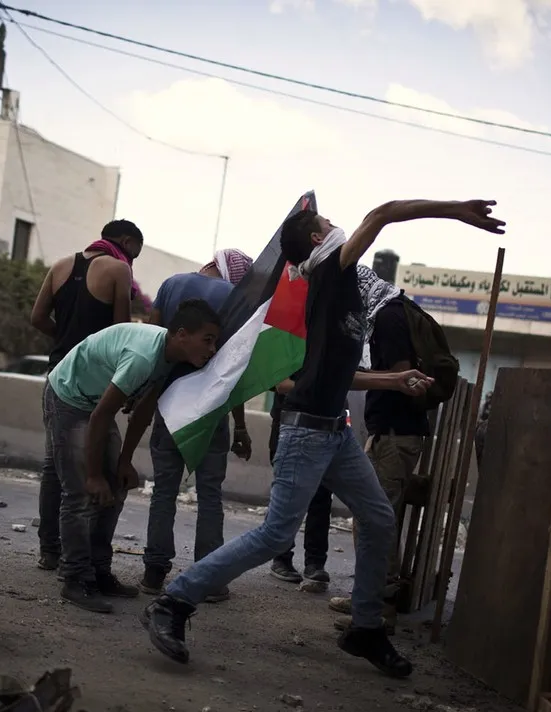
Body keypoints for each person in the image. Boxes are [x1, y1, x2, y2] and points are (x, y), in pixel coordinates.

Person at [142, 197, 505, 678]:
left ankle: (366, 628)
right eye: (328, 223)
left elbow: (337, 373)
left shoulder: (341, 292)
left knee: (378, 519)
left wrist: (392, 381)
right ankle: (175, 602)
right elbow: (383, 212)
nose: (337, 224)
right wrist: (455, 209)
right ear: (319, 239)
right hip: (306, 431)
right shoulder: (332, 269)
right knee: (276, 534)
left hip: (334, 431)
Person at [44, 299, 222, 613]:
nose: (211, 349)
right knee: (82, 493)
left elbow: (142, 413)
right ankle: (74, 578)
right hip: (69, 399)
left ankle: (99, 571)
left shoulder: (167, 358)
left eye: (215, 342)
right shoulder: (144, 356)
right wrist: (94, 475)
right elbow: (101, 415)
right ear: (181, 334)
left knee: (116, 487)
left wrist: (123, 463)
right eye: (207, 340)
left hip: (95, 406)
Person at [30, 219, 144, 572]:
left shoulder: (61, 265)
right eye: (135, 253)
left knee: (55, 468)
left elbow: (37, 318)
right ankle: (84, 561)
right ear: (126, 242)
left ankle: (50, 551)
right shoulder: (118, 270)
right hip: (92, 383)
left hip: (56, 374)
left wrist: (67, 341)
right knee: (90, 476)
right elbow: (122, 333)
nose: (133, 262)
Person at [141, 249, 254, 602]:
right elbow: (234, 369)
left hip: (169, 403)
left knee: (163, 492)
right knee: (209, 496)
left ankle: (153, 573)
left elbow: (154, 344)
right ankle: (209, 578)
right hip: (212, 409)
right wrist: (240, 426)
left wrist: (141, 395)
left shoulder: (172, 284)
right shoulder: (236, 298)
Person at [329, 265, 430, 632]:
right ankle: (368, 599)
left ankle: (378, 610)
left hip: (395, 434)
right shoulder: (385, 314)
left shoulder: (388, 319)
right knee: (372, 518)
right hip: (386, 432)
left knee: (378, 520)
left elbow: (406, 379)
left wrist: (369, 380)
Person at [268, 371, 335, 586]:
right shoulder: (290, 343)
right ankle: (281, 558)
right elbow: (282, 385)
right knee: (287, 496)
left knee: (322, 496)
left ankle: (315, 563)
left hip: (323, 424)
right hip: (288, 423)